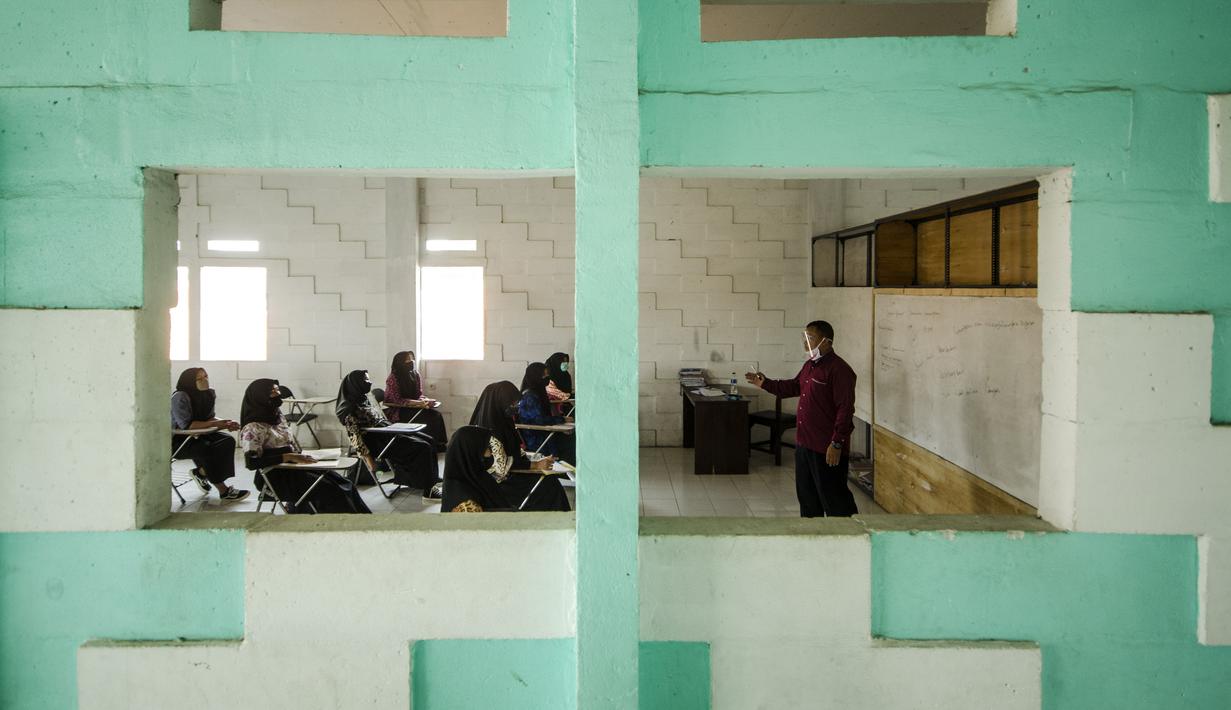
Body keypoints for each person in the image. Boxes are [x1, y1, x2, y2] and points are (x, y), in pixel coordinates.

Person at [745, 320, 858, 518]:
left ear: (826, 341)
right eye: (804, 337)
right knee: (807, 497)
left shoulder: (839, 370)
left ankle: (847, 539)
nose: (805, 342)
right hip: (805, 444)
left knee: (834, 499)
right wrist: (765, 384)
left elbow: (845, 409)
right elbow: (794, 387)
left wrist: (837, 443)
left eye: (810, 337)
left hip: (826, 447)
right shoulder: (810, 366)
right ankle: (811, 536)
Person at [239, 379, 371, 514]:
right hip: (276, 476)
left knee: (345, 484)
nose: (278, 394)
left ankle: (364, 522)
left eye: (277, 390)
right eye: (272, 392)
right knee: (333, 490)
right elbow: (252, 462)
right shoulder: (253, 428)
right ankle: (342, 527)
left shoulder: (277, 416)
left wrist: (299, 456)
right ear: (259, 397)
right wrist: (287, 457)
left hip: (294, 467)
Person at [336, 369, 441, 497]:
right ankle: (427, 487)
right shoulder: (349, 409)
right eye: (365, 380)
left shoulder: (363, 399)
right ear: (355, 384)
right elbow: (354, 436)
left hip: (386, 432)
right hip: (377, 442)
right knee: (422, 447)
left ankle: (431, 479)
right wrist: (369, 460)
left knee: (429, 439)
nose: (369, 382)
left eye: (368, 379)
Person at [468, 381, 570, 511]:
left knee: (549, 482)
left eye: (516, 403)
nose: (515, 406)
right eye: (511, 403)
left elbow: (513, 452)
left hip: (511, 474)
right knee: (548, 485)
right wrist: (535, 465)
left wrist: (534, 461)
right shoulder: (487, 432)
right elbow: (499, 468)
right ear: (499, 402)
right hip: (497, 483)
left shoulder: (503, 422)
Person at [170, 367, 249, 502]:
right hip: (179, 439)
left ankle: (202, 472)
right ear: (189, 381)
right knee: (207, 448)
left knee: (227, 440)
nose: (204, 380)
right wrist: (217, 424)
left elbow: (210, 418)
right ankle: (224, 491)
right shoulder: (180, 397)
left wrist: (226, 423)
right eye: (199, 379)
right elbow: (187, 425)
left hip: (198, 434)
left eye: (205, 376)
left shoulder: (209, 393)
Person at [383, 350, 448, 451]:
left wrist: (426, 400)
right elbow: (396, 400)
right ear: (400, 363)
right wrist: (419, 403)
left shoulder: (415, 375)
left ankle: (439, 444)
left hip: (415, 407)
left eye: (412, 359)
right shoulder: (393, 378)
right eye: (407, 360)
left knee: (436, 415)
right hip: (399, 410)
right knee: (429, 418)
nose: (412, 362)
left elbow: (419, 394)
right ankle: (427, 445)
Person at [517, 363, 576, 465]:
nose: (547, 378)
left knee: (571, 438)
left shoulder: (538, 393)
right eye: (544, 376)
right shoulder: (529, 397)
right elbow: (539, 420)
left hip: (544, 433)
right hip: (536, 438)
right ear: (536, 377)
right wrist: (562, 420)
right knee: (570, 444)